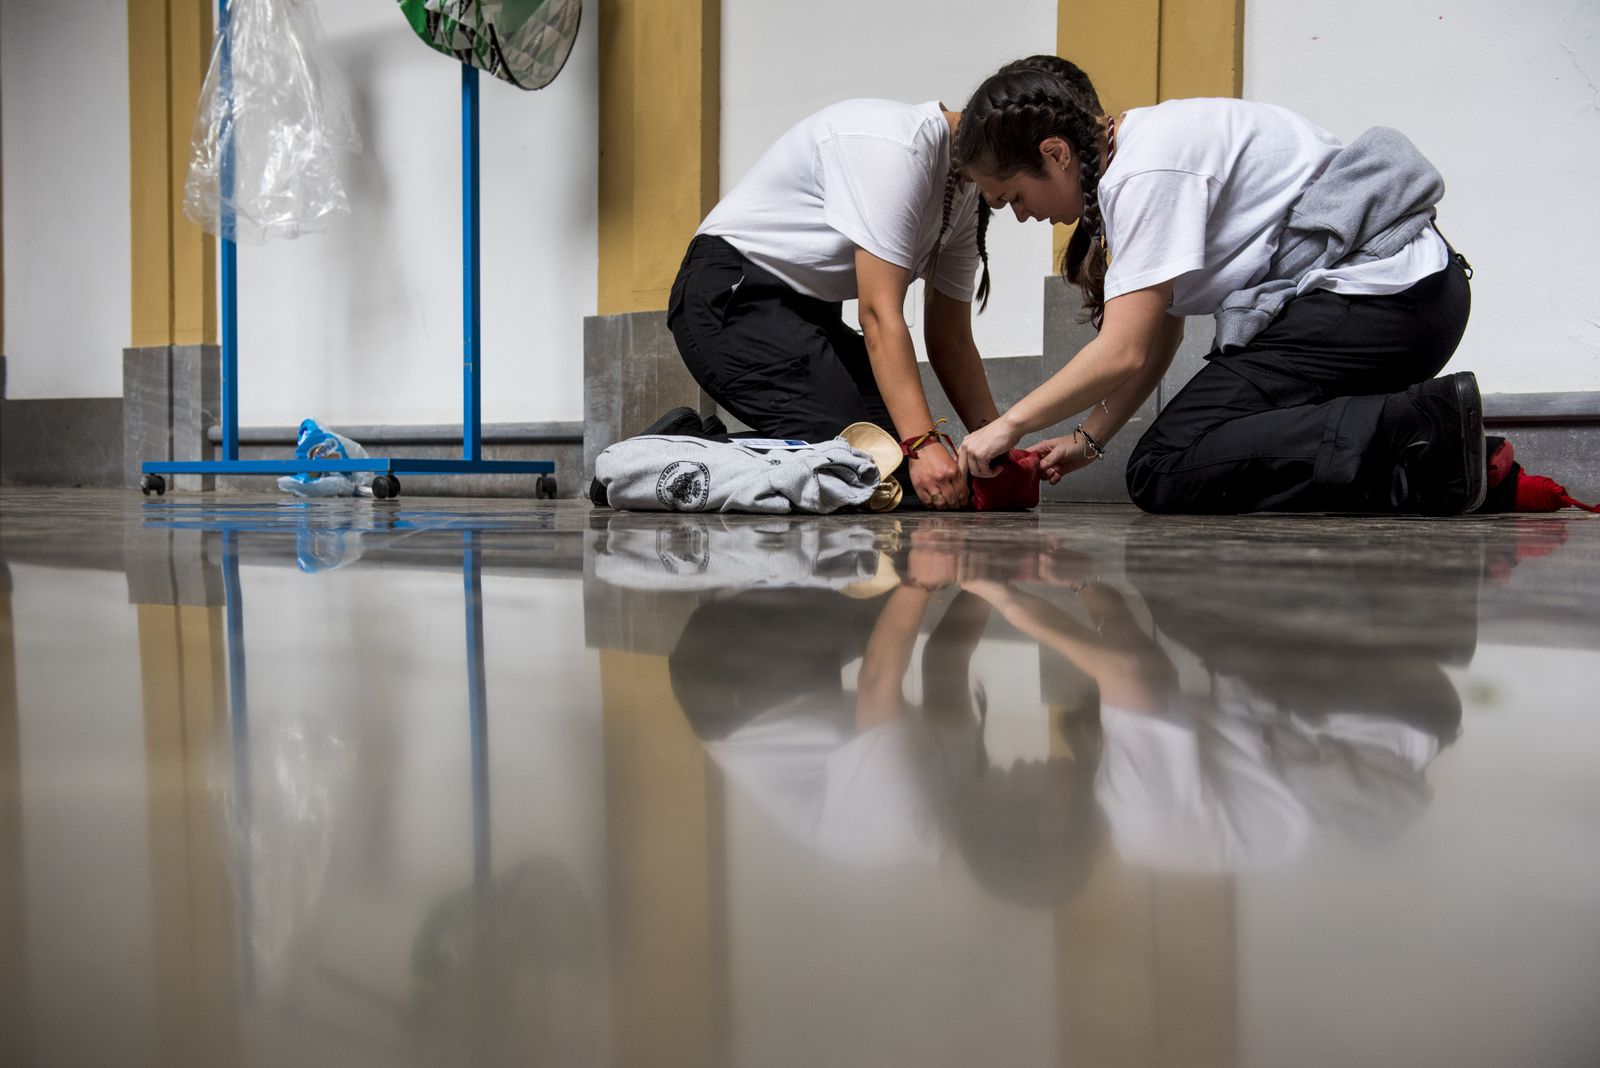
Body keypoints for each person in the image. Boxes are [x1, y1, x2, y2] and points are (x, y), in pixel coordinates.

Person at [952, 56, 1486, 515]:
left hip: (1384, 298)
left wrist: (1008, 426)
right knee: (1192, 451)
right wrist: (1088, 440)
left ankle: (1420, 429)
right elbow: (1159, 338)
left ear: (1054, 154)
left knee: (1164, 466)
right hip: (1411, 298)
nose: (1020, 216)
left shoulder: (1144, 172)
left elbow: (1121, 353)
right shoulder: (1142, 154)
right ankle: (1440, 457)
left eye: (1013, 197)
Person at [665, 94, 1005, 510]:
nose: (1024, 212)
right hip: (733, 296)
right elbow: (879, 314)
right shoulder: (899, 149)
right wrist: (921, 441)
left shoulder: (965, 192)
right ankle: (658, 462)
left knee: (888, 461)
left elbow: (951, 338)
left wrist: (997, 446)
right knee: (849, 457)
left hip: (806, 314)